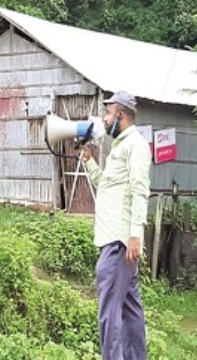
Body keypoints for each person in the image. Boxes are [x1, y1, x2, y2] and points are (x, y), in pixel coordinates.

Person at [80, 90, 150, 360]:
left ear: (120, 114)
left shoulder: (136, 145)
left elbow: (139, 190)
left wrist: (135, 236)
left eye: (108, 113)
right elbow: (106, 186)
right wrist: (90, 162)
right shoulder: (119, 146)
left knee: (109, 313)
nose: (104, 118)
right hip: (116, 239)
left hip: (119, 242)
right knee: (131, 311)